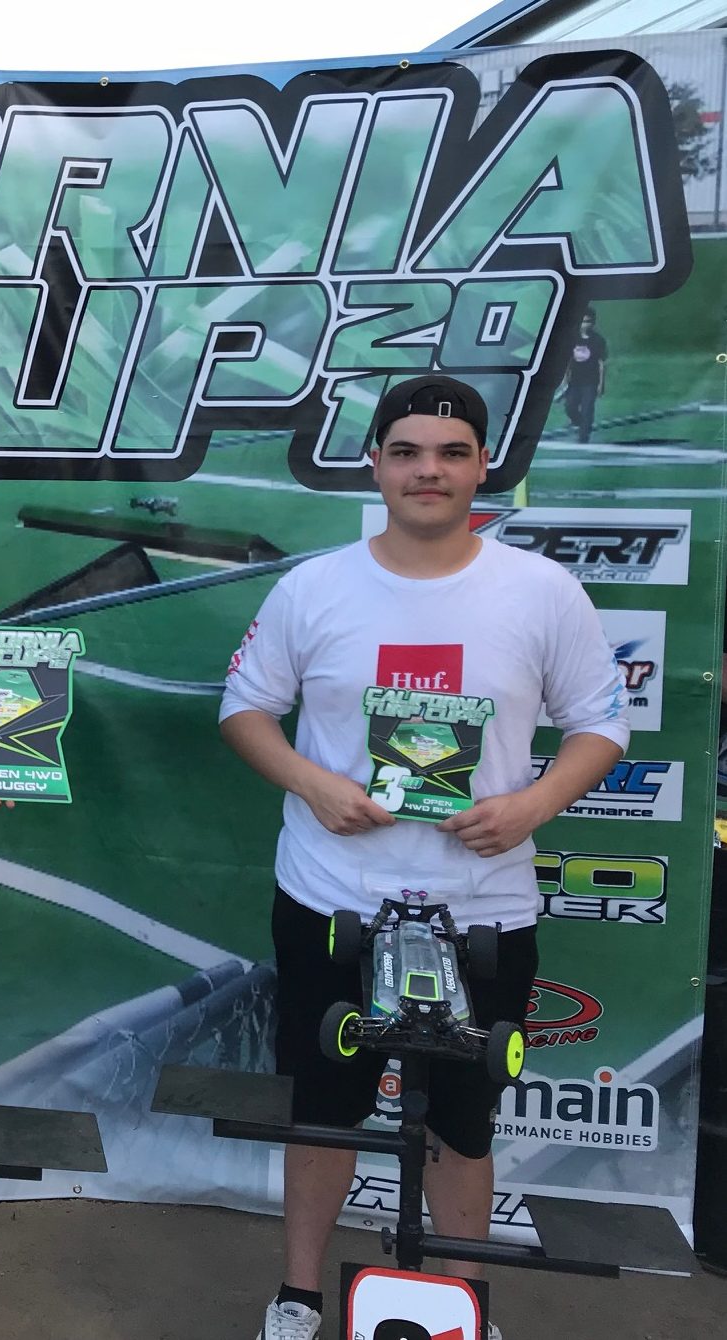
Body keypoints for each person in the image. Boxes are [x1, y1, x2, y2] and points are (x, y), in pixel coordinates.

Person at [218, 375, 628, 1340]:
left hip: (481, 903)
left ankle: (457, 1303)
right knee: (323, 1109)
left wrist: (532, 804)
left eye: (450, 453)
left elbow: (600, 723)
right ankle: (298, 1296)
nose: (427, 471)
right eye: (404, 452)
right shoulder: (314, 587)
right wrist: (312, 784)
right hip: (331, 895)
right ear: (375, 465)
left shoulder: (541, 590)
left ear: (483, 466)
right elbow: (244, 710)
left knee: (461, 1121)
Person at [562, 308, 607, 443]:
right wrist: (565, 377)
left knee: (587, 409)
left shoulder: (598, 340)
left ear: (593, 323)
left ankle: (583, 437)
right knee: (570, 407)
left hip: (591, 381)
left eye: (588, 321)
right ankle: (579, 423)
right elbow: (567, 360)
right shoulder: (573, 339)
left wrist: (601, 384)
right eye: (582, 321)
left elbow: (601, 363)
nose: (585, 325)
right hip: (575, 381)